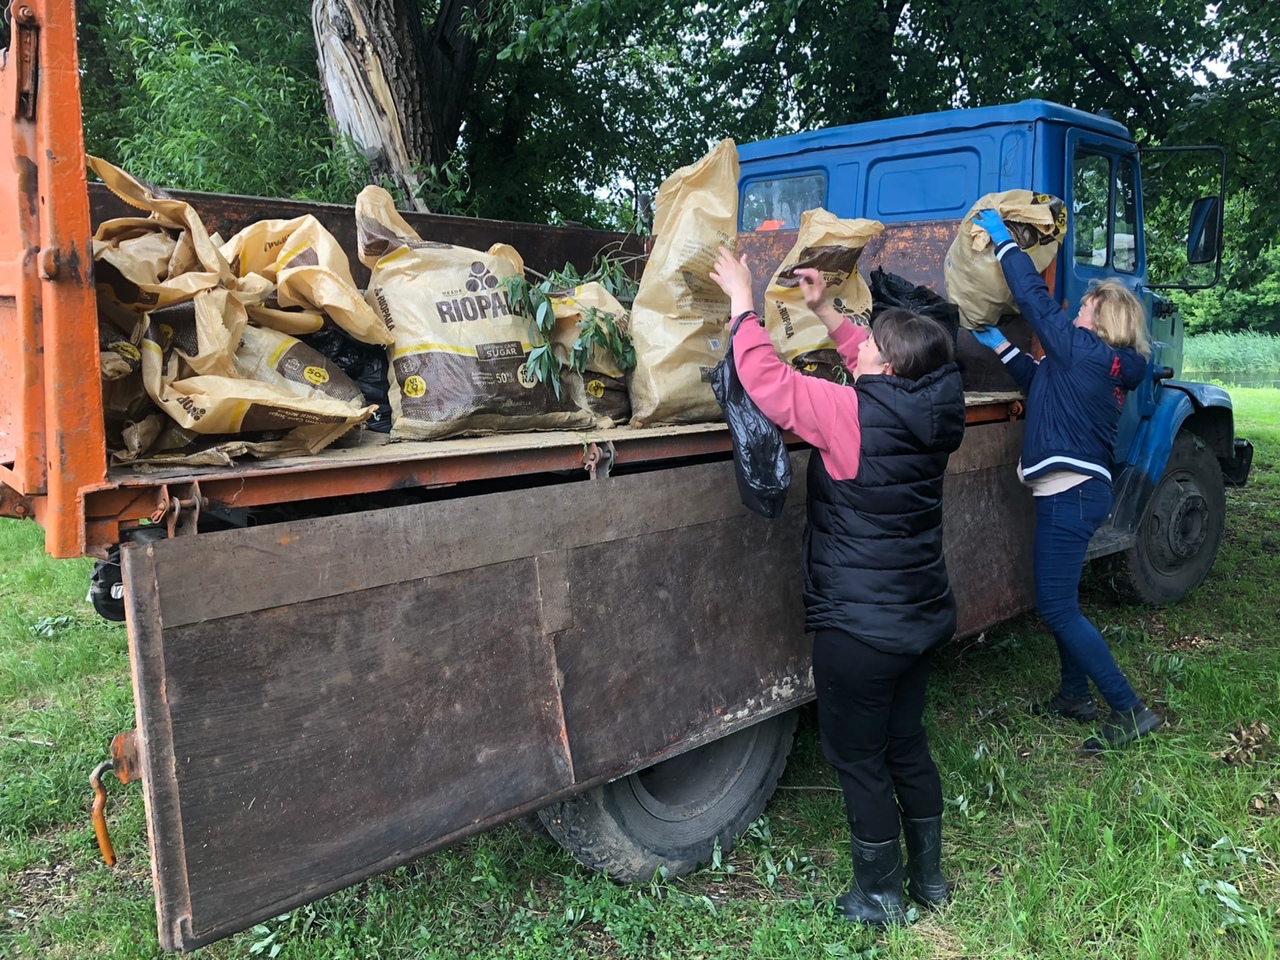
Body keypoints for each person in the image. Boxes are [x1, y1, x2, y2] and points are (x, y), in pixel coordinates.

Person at [709, 248, 965, 927]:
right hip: (917, 616)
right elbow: (871, 361)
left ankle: (879, 898)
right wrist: (825, 309)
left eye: (872, 348)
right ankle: (930, 881)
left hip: (859, 630)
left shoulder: (847, 416)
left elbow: (764, 378)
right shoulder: (930, 412)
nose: (863, 352)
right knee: (906, 743)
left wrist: (741, 298)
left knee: (858, 757)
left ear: (887, 368)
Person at [968, 208, 1163, 753]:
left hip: (1072, 494)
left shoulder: (1085, 351)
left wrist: (1007, 245)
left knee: (1056, 606)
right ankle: (1074, 695)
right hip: (1074, 492)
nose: (1076, 310)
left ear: (1103, 321)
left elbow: (1033, 301)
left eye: (1085, 305)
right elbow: (1039, 380)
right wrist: (998, 345)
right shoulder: (1084, 362)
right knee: (1063, 598)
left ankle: (1129, 709)